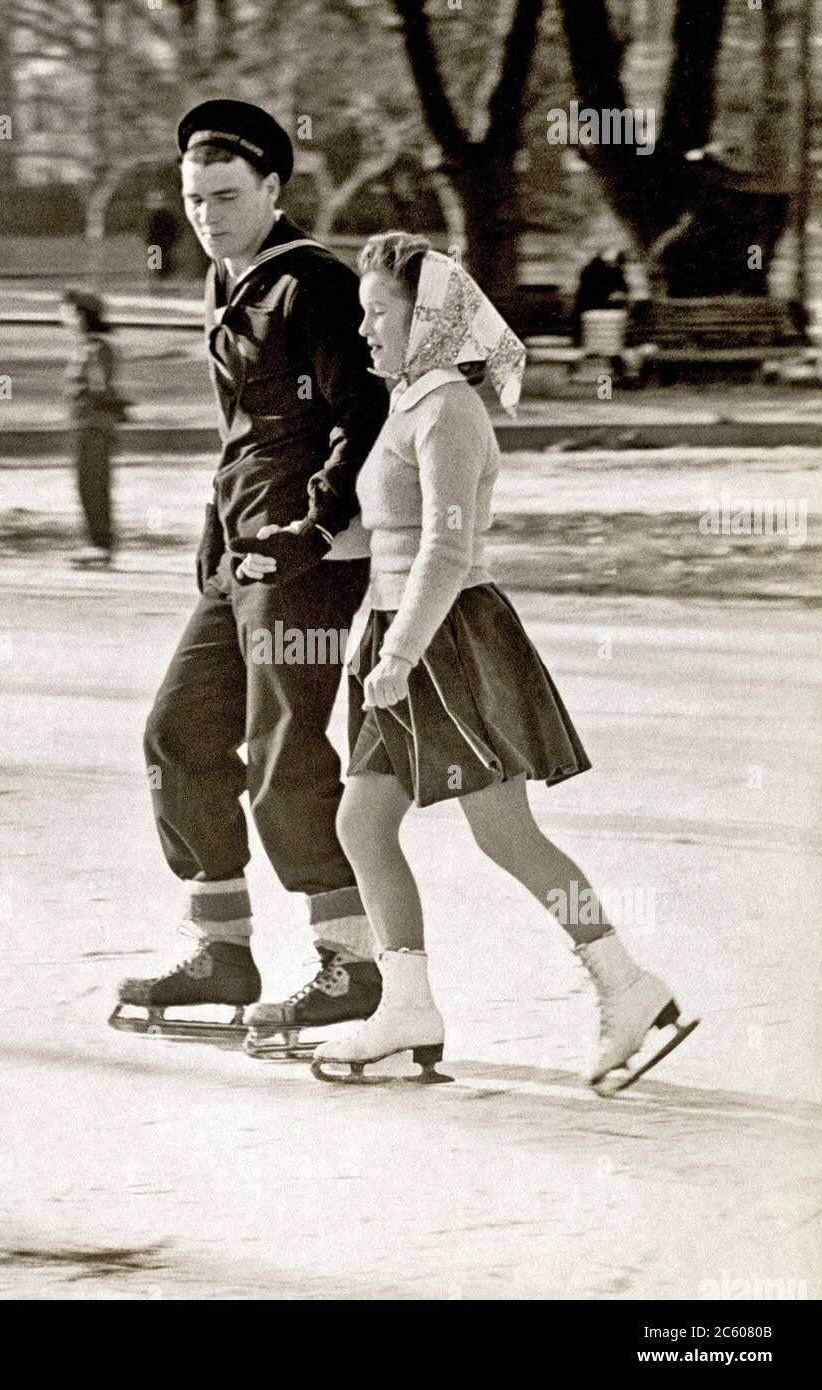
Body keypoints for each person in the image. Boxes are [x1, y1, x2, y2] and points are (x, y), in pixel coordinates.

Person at [310, 233, 697, 1088]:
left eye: (382, 314)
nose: (365, 330)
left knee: (505, 832)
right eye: (364, 313)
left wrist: (401, 654)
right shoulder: (410, 403)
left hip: (441, 639)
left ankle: (625, 986)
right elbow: (389, 534)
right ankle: (408, 1009)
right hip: (397, 633)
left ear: (432, 324)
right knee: (363, 823)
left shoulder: (449, 411)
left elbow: (446, 552)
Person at [115, 101, 389, 1045]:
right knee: (178, 732)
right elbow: (244, 430)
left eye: (226, 196)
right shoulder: (226, 283)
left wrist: (315, 528)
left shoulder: (313, 284)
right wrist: (212, 522)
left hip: (306, 559)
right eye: (194, 199)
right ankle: (222, 948)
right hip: (238, 552)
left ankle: (349, 962)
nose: (207, 215)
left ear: (274, 189)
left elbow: (364, 412)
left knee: (283, 755)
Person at [61, 287, 126, 568]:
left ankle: (100, 544)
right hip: (88, 425)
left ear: (80, 314)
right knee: (88, 484)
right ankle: (96, 542)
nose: (63, 317)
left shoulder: (95, 348)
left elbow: (100, 388)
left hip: (94, 426)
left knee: (93, 484)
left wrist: (113, 405)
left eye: (67, 310)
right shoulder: (90, 346)